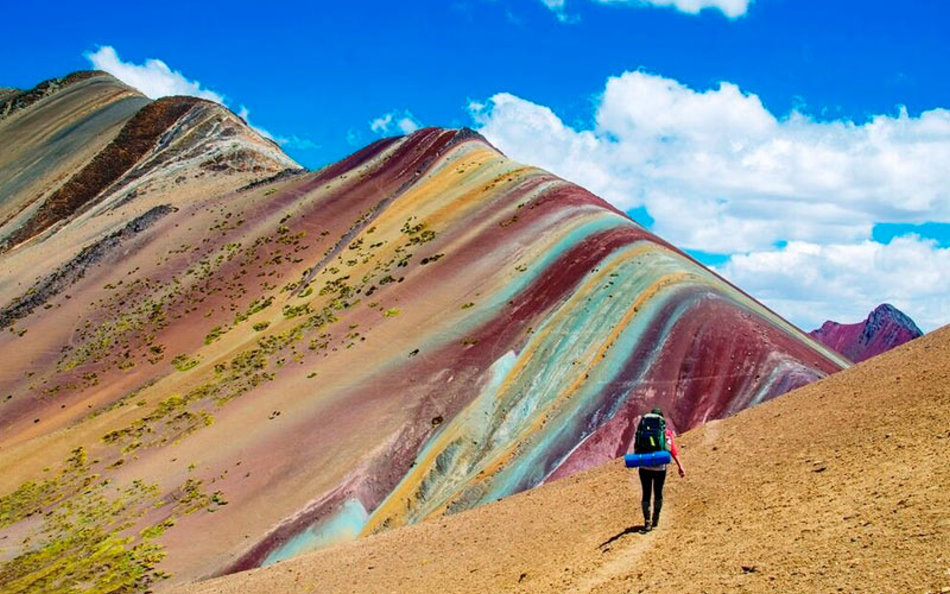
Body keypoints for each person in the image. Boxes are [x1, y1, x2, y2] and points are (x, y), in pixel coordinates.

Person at [635, 408, 685, 532]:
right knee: (658, 493)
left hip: (644, 467)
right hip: (660, 468)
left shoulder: (643, 431)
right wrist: (680, 466)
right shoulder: (666, 433)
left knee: (646, 494)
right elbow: (671, 450)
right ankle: (656, 518)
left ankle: (647, 522)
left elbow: (636, 448)